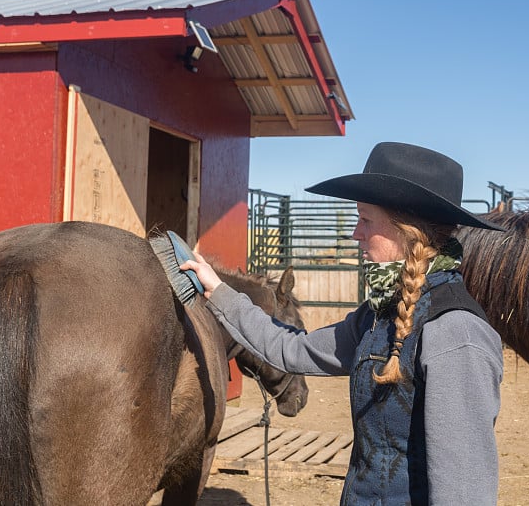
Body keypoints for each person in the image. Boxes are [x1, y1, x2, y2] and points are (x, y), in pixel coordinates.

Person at [182, 142, 505, 505]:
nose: (355, 233)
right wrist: (220, 291)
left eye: (365, 219)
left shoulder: (456, 334)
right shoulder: (377, 315)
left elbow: (464, 493)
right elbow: (291, 349)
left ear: (407, 231)